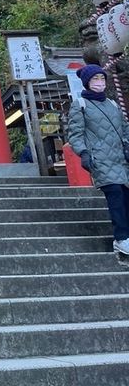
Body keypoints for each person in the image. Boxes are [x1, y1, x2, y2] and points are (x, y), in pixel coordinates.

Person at [67, 64, 129, 257]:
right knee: (115, 196)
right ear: (87, 82)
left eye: (102, 79)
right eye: (95, 79)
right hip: (100, 159)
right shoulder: (80, 105)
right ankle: (121, 238)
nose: (99, 83)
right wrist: (83, 153)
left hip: (120, 159)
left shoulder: (112, 104)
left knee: (126, 198)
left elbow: (125, 128)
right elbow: (75, 134)